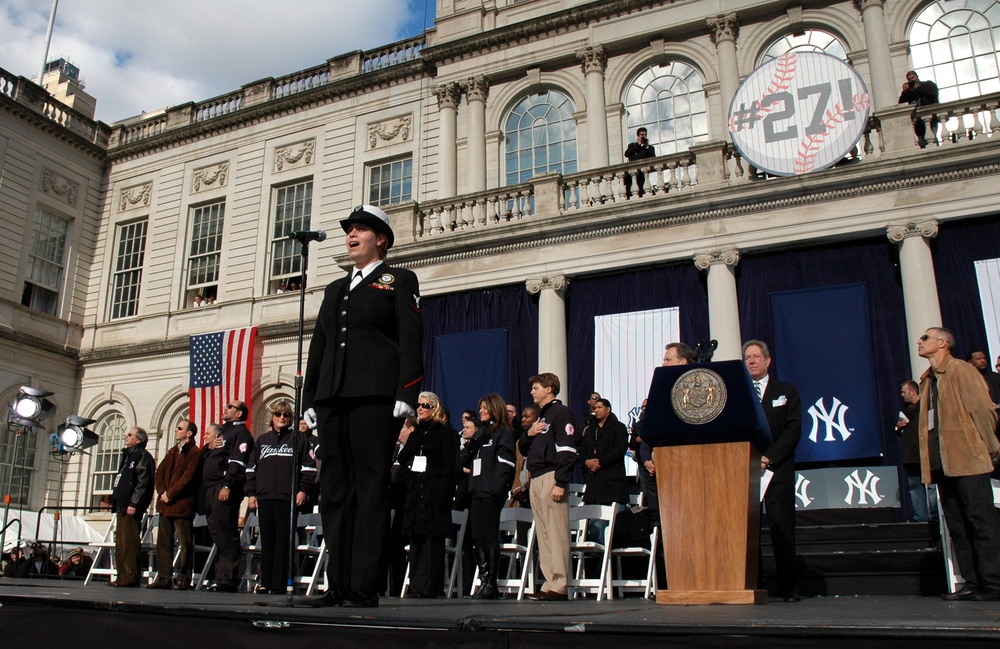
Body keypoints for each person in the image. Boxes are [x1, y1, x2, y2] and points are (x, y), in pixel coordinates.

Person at [302, 204, 423, 608]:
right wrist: (311, 398)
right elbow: (319, 347)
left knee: (371, 490)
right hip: (333, 399)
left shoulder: (398, 280)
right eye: (349, 230)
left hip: (375, 398)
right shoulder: (335, 289)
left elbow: (410, 340)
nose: (351, 235)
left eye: (361, 229)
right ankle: (337, 583)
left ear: (381, 239)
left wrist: (407, 393)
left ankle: (363, 586)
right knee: (335, 492)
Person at [917, 327, 1000, 601]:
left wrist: (990, 447)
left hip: (968, 458)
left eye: (926, 338)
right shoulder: (927, 379)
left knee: (981, 521)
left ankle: (994, 582)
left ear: (943, 343)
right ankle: (972, 581)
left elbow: (983, 409)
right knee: (957, 525)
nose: (920, 341)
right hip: (943, 462)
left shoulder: (961, 370)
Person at [744, 340, 802, 602]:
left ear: (768, 361)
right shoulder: (739, 394)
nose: (752, 361)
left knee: (781, 528)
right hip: (746, 470)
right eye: (747, 358)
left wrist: (768, 458)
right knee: (748, 531)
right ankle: (754, 586)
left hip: (777, 470)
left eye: (757, 356)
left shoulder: (786, 391)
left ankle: (789, 588)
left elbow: (793, 430)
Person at [245, 400, 317, 595]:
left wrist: (303, 490)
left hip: (288, 497)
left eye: (285, 415)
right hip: (265, 496)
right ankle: (265, 582)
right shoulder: (262, 441)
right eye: (278, 415)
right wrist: (251, 493)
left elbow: (309, 468)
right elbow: (251, 469)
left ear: (290, 418)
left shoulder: (299, 439)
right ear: (273, 417)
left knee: (284, 541)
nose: (282, 418)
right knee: (267, 540)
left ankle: (279, 583)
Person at [520, 372, 578, 601]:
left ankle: (560, 583)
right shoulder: (541, 416)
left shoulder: (561, 413)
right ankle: (549, 581)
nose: (532, 392)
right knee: (544, 533)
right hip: (536, 477)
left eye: (536, 388)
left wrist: (561, 482)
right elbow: (524, 448)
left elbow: (567, 449)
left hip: (552, 476)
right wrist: (529, 432)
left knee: (556, 531)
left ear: (549, 389)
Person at [395, 392, 456, 598]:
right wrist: (415, 435)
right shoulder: (417, 433)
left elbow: (449, 465)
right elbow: (403, 458)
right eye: (418, 405)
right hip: (416, 491)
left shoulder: (445, 433)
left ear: (435, 408)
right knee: (416, 539)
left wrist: (444, 493)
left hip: (434, 490)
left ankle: (432, 588)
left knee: (432, 540)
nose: (420, 408)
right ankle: (418, 585)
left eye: (425, 405)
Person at [460, 393, 516, 599]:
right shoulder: (480, 433)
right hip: (476, 491)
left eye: (485, 408)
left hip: (492, 492)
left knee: (490, 535)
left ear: (494, 408)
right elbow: (464, 461)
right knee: (477, 538)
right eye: (480, 408)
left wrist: (497, 489)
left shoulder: (503, 432)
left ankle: (492, 582)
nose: (481, 411)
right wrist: (473, 442)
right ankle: (484, 580)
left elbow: (506, 465)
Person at [202, 402, 254, 593]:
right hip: (210, 487)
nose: (225, 408)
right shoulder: (224, 432)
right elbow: (207, 456)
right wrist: (208, 446)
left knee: (226, 532)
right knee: (216, 531)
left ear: (239, 413)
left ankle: (228, 579)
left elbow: (238, 462)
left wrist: (228, 485)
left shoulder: (241, 434)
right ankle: (219, 576)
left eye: (230, 407)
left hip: (224, 488)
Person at [147, 419, 202, 590]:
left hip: (182, 504)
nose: (176, 430)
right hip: (166, 505)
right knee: (163, 542)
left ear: (189, 433)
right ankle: (164, 577)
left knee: (185, 543)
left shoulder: (195, 452)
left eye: (180, 428)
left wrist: (171, 494)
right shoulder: (172, 451)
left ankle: (184, 579)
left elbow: (188, 477)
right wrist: (162, 492)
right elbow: (160, 472)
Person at [109, 426, 156, 587]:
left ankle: (130, 576)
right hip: (122, 503)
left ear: (139, 439)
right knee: (120, 541)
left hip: (131, 505)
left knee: (129, 541)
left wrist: (134, 502)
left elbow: (143, 482)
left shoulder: (142, 456)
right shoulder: (128, 456)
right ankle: (121, 574)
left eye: (130, 435)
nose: (126, 437)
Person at [579, 398, 629, 506]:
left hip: (612, 482)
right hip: (593, 483)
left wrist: (600, 462)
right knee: (592, 519)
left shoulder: (619, 427)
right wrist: (587, 462)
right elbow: (582, 450)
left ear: (608, 409)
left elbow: (620, 450)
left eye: (600, 407)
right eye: (595, 408)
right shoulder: (590, 429)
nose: (596, 410)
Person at [895, 381, 928, 522]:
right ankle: (920, 517)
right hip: (911, 455)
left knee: (932, 487)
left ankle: (934, 516)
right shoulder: (905, 410)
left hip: (925, 453)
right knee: (914, 486)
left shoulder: (925, 407)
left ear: (913, 392)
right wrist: (898, 427)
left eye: (904, 392)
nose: (902, 395)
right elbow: (899, 430)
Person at [898, 70, 939, 148]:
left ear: (917, 77)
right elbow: (901, 104)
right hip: (917, 121)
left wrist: (918, 88)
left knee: (932, 138)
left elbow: (933, 94)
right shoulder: (909, 91)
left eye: (913, 77)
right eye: (909, 79)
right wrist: (905, 92)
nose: (911, 80)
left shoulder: (927, 85)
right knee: (921, 141)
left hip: (930, 117)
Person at [623, 126, 656, 197]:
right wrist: (637, 144)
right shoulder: (632, 146)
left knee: (642, 192)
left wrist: (646, 146)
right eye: (642, 135)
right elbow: (627, 154)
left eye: (645, 135)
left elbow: (653, 159)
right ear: (638, 136)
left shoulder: (649, 148)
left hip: (642, 174)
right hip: (631, 175)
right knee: (630, 193)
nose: (644, 137)